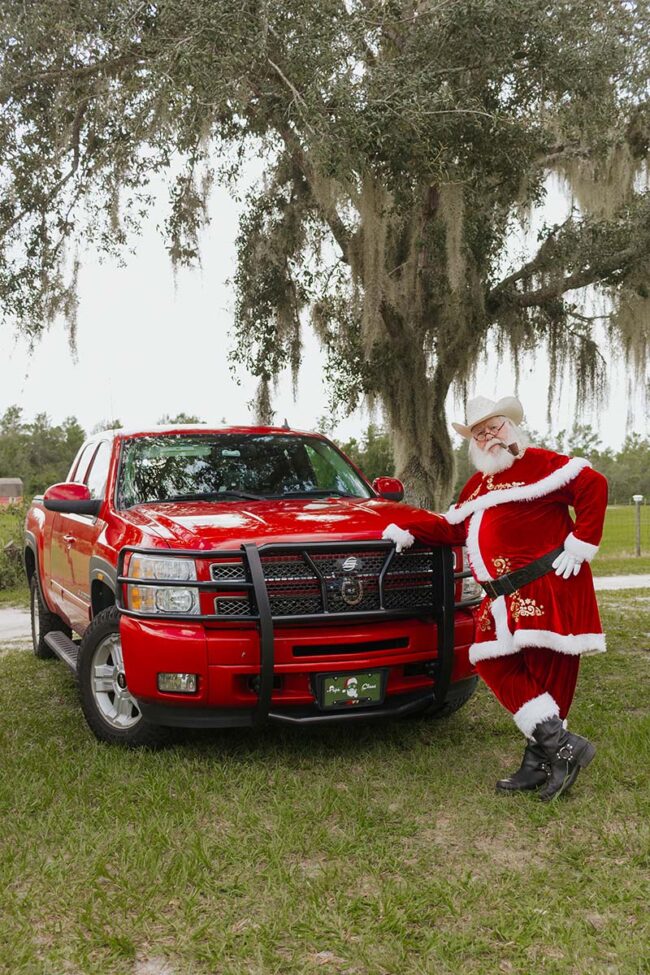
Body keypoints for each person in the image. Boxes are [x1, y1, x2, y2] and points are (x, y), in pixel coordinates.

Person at [382, 395, 608, 801]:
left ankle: (540, 763)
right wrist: (408, 528)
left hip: (548, 586)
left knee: (547, 674)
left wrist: (581, 542)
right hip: (501, 599)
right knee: (489, 660)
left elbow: (594, 484)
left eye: (496, 427)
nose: (490, 437)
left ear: (512, 427)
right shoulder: (479, 483)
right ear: (473, 443)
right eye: (481, 433)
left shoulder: (542, 463)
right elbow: (452, 528)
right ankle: (562, 748)